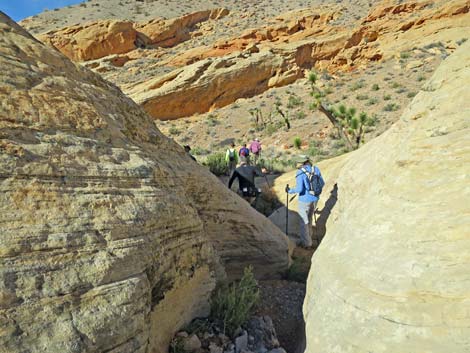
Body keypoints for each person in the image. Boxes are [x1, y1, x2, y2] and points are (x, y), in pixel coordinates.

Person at [286, 155, 325, 248]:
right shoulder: (315, 169)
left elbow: (299, 189)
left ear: (301, 162)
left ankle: (307, 243)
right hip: (315, 198)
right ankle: (309, 238)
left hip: (304, 200)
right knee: (310, 218)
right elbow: (322, 183)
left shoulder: (300, 172)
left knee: (304, 221)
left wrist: (290, 190)